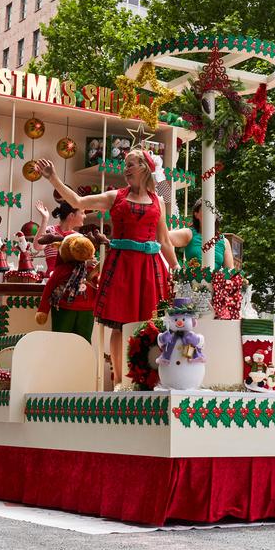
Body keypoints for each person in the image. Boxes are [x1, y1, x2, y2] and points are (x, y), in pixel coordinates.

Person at [35, 149, 178, 382]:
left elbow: (164, 241)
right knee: (120, 326)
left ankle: (150, 379)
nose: (126, 169)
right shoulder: (115, 197)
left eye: (130, 164)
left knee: (152, 325)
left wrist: (178, 269)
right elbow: (77, 201)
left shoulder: (159, 201)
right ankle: (121, 381)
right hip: (122, 267)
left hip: (150, 269)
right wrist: (53, 178)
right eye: (125, 165)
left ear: (144, 167)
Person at [167, 198, 234, 269]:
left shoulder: (224, 242)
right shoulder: (189, 233)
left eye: (213, 211)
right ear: (196, 214)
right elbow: (163, 237)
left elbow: (230, 271)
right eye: (206, 210)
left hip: (215, 280)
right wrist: (175, 265)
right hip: (192, 279)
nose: (210, 214)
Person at [36, 199, 85, 273]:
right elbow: (37, 246)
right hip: (51, 279)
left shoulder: (79, 237)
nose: (85, 216)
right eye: (82, 213)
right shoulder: (50, 231)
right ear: (71, 215)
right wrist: (45, 219)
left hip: (70, 281)